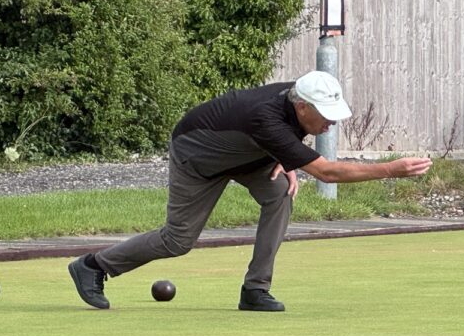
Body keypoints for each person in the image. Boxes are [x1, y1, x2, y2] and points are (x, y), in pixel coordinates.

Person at [67, 71, 432, 312]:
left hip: (247, 156)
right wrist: (391, 169)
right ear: (302, 106)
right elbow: (326, 172)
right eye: (325, 114)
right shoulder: (267, 117)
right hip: (198, 158)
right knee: (177, 241)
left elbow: (282, 142)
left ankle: (255, 290)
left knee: (279, 195)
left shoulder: (296, 102)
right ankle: (93, 266)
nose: (331, 122)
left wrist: (285, 159)